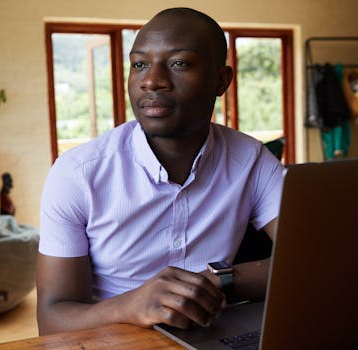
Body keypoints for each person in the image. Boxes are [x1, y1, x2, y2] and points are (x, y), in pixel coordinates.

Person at [37, 7, 284, 335]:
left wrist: (214, 282)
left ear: (221, 81)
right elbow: (52, 320)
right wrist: (131, 305)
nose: (151, 80)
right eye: (139, 64)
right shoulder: (78, 174)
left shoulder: (250, 159)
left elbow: (312, 260)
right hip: (112, 340)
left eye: (179, 63)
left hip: (207, 337)